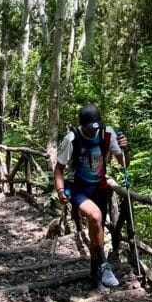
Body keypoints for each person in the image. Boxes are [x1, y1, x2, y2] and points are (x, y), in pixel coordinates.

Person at [54, 103, 129, 289]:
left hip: (100, 188)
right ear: (82, 126)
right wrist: (61, 191)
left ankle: (94, 274)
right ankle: (105, 265)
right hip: (79, 189)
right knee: (95, 216)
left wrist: (125, 149)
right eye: (88, 129)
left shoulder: (107, 133)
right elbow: (59, 169)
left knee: (97, 229)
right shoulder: (71, 139)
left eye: (94, 128)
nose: (92, 132)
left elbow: (124, 164)